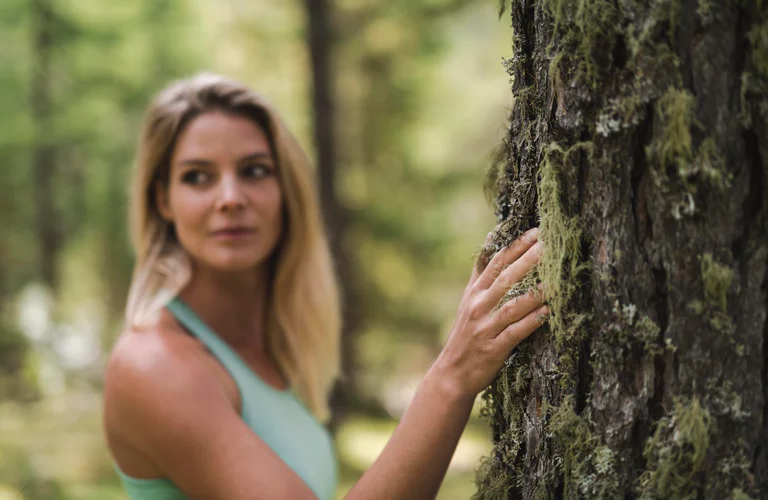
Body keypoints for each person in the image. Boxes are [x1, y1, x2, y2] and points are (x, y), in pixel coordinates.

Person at [102, 73, 549, 500]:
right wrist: (454, 373)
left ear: (285, 189)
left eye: (254, 170)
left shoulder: (269, 350)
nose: (230, 197)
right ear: (162, 200)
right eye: (197, 176)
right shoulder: (154, 365)